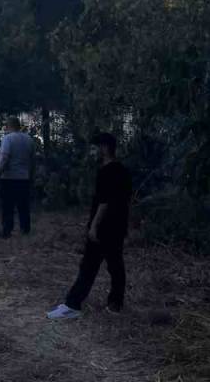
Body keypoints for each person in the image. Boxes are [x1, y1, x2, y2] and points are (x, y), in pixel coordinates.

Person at [48, 132, 132, 319]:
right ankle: (116, 303)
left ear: (105, 147)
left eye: (97, 146)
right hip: (118, 224)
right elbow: (126, 200)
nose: (94, 151)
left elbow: (104, 202)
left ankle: (73, 305)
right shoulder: (123, 170)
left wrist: (93, 226)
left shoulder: (106, 171)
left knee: (89, 265)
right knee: (116, 265)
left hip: (104, 225)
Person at [0, 116, 34, 237]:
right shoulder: (29, 139)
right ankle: (25, 229)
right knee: (23, 205)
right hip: (24, 177)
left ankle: (7, 230)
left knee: (8, 205)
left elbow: (4, 158)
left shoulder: (8, 139)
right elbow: (33, 159)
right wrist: (31, 174)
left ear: (9, 125)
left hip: (9, 177)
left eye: (5, 125)